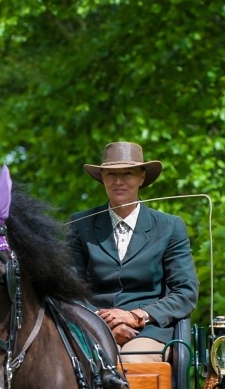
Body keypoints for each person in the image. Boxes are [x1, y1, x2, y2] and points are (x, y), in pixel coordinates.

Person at [67, 141, 199, 362]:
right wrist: (103, 323)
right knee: (84, 363)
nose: (118, 181)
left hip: (149, 330)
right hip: (93, 329)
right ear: (103, 179)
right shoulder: (80, 224)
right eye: (111, 175)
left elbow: (185, 291)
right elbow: (69, 288)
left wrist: (136, 316)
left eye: (127, 174)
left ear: (142, 177)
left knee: (131, 362)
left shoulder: (169, 227)